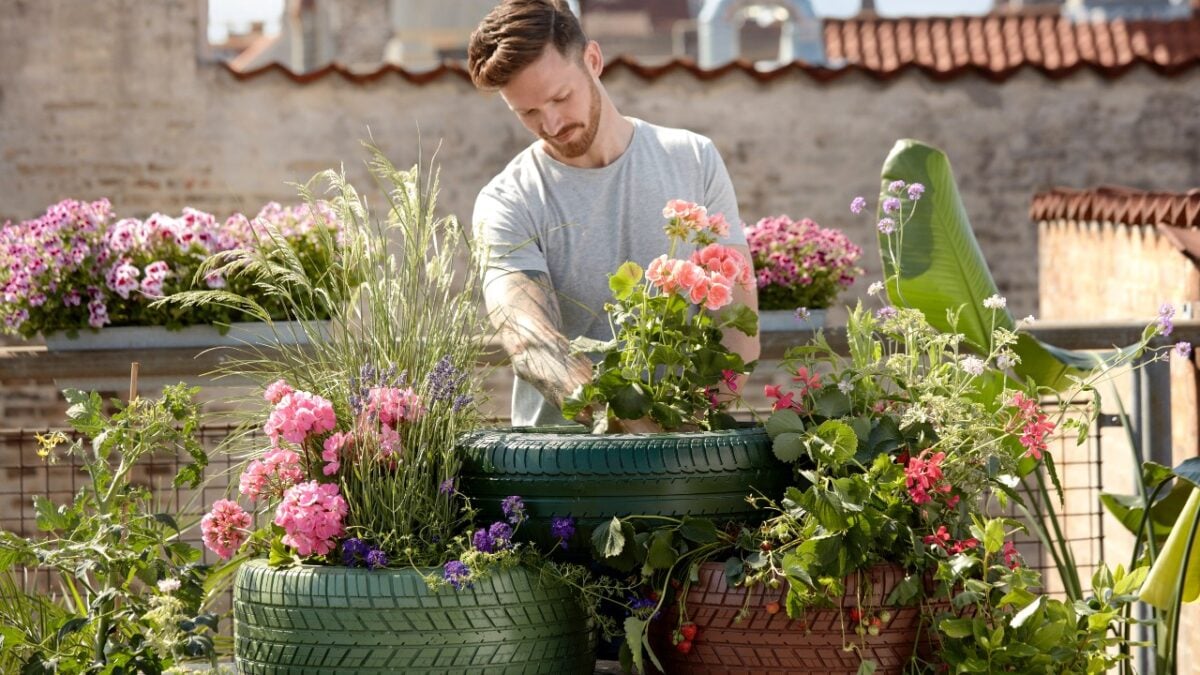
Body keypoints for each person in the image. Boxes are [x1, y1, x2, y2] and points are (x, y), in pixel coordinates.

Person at [468, 0, 759, 429]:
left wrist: (696, 428)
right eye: (527, 113)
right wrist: (632, 432)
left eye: (560, 97)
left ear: (593, 60)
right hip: (558, 467)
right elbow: (528, 339)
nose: (550, 123)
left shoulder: (693, 159)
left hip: (686, 454)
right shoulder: (507, 200)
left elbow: (738, 323)